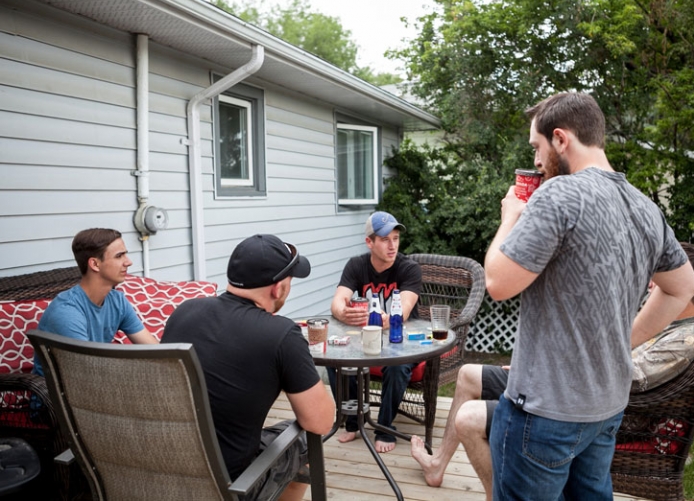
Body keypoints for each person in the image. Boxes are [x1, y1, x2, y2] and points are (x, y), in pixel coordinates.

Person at [484, 92, 694, 500]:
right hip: (606, 410)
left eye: (537, 147)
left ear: (561, 139)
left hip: (543, 414)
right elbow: (682, 288)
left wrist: (510, 218)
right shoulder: (645, 208)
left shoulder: (558, 194)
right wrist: (624, 341)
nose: (535, 160)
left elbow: (497, 282)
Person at [411, 242, 694, 499]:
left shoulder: (682, 340)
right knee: (466, 374)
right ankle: (438, 464)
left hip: (588, 406)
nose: (651, 282)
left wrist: (543, 369)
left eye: (660, 277)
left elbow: (623, 377)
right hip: (567, 380)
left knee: (469, 419)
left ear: (685, 285)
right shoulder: (665, 317)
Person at [162, 234, 335, 501]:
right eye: (290, 280)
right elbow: (321, 422)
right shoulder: (282, 335)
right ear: (277, 288)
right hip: (230, 486)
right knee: (302, 442)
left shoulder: (184, 312)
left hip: (164, 469)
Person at [329, 211, 422, 453]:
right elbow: (339, 300)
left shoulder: (408, 268)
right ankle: (352, 422)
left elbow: (403, 312)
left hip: (401, 339)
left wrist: (371, 320)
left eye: (396, 238)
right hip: (364, 339)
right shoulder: (356, 265)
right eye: (385, 239)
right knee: (334, 359)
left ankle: (384, 427)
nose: (392, 246)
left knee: (398, 365)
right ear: (369, 242)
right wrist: (342, 312)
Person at [34, 228, 158, 375]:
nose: (128, 262)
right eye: (119, 256)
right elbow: (91, 373)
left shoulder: (117, 302)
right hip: (61, 395)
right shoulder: (67, 312)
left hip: (99, 385)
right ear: (95, 264)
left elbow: (155, 350)